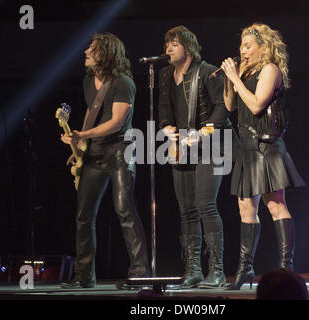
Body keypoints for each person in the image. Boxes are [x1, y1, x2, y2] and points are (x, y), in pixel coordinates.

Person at [60, 32, 151, 288]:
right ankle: (84, 276)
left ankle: (139, 273)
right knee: (83, 215)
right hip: (95, 153)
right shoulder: (89, 81)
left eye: (92, 48)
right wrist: (79, 145)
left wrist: (84, 134)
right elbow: (93, 110)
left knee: (125, 210)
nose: (86, 52)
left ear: (106, 53)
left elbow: (116, 122)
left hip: (121, 150)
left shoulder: (123, 82)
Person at [220, 23, 305, 290]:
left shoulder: (270, 70)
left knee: (275, 205)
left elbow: (257, 105)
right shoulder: (245, 71)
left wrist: (235, 79)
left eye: (248, 46)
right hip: (246, 147)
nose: (242, 51)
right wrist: (230, 78)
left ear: (263, 47)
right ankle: (245, 270)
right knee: (246, 209)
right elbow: (230, 105)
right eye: (241, 46)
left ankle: (285, 268)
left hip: (266, 147)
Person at [158, 25, 231, 288]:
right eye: (167, 44)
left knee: (205, 205)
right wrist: (166, 127)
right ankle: (193, 270)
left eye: (174, 43)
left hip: (211, 146)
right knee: (186, 211)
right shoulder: (166, 74)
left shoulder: (208, 71)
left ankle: (217, 271)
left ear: (187, 47)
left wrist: (203, 133)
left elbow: (223, 109)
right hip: (183, 147)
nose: (168, 48)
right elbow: (164, 108)